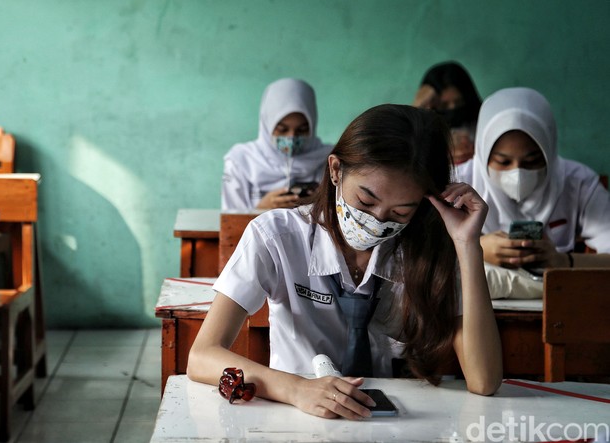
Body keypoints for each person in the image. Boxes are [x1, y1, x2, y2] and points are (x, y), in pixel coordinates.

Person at [189, 104, 502, 421]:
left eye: (400, 212)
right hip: (292, 415)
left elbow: (484, 381)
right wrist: (297, 389)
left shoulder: (423, 250)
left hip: (381, 418)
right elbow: (202, 356)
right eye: (366, 200)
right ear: (336, 170)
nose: (377, 221)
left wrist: (467, 245)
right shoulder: (276, 237)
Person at [456, 87, 610, 298]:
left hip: (556, 307)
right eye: (503, 162)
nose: (517, 173)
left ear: (550, 151)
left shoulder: (578, 184)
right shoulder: (460, 182)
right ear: (483, 154)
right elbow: (417, 254)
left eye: (532, 161)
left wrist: (564, 262)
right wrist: (476, 247)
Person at [222, 78, 333, 210]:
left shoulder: (331, 160)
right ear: (267, 124)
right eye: (282, 129)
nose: (291, 137)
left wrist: (321, 206)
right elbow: (230, 223)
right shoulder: (241, 160)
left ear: (312, 125)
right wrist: (261, 210)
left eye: (302, 130)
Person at [413, 61, 482, 164]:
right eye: (444, 105)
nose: (453, 108)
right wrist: (417, 107)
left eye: (459, 102)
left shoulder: (483, 122)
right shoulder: (422, 130)